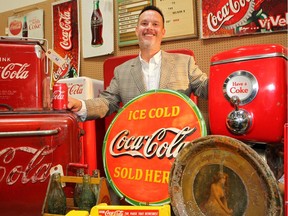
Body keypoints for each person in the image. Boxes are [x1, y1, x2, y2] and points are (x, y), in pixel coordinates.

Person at [67, 5, 208, 121]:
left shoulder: (185, 62)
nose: (149, 28)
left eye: (155, 24)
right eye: (144, 23)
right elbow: (106, 102)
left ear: (163, 32)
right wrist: (80, 105)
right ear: (136, 30)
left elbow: (205, 87)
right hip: (138, 146)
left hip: (177, 142)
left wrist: (226, 79)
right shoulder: (121, 72)